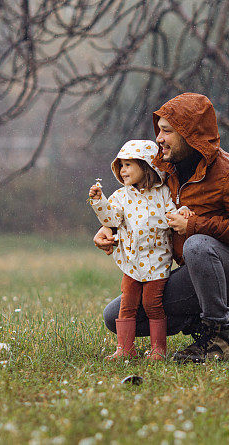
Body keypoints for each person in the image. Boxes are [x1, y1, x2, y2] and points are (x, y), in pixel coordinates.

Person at [96, 93, 229, 363]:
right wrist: (111, 230)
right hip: (195, 273)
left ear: (191, 134)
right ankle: (201, 323)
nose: (159, 139)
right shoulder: (166, 171)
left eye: (167, 131)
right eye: (159, 130)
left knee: (197, 244)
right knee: (114, 317)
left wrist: (194, 224)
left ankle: (216, 337)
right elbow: (142, 210)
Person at [88, 139, 191, 361]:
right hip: (131, 263)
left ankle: (158, 350)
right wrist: (99, 202)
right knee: (128, 303)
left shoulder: (162, 194)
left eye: (128, 165)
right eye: (121, 165)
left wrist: (181, 214)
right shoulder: (121, 196)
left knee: (152, 303)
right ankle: (125, 349)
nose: (123, 170)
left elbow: (170, 216)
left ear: (145, 166)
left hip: (157, 263)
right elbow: (111, 218)